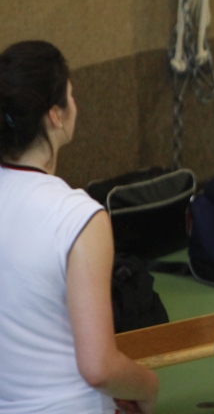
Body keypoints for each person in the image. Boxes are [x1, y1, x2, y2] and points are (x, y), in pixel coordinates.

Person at [0, 40, 159, 414]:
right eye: (71, 96)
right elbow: (99, 368)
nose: (76, 105)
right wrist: (149, 387)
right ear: (55, 115)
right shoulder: (78, 217)